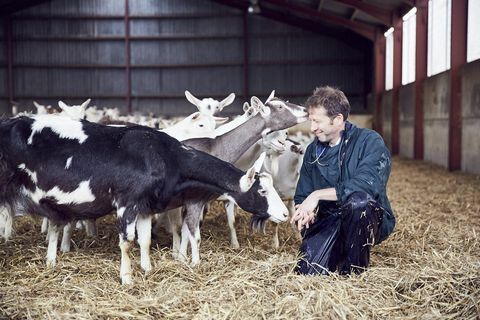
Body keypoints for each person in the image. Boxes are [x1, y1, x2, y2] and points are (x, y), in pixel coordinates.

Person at [291, 86, 395, 275]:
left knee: (359, 204)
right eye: (311, 121)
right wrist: (304, 211)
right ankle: (337, 250)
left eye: (317, 121)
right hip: (328, 219)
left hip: (362, 216)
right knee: (307, 272)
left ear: (338, 119)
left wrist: (317, 195)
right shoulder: (313, 151)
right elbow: (302, 194)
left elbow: (367, 183)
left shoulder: (369, 141)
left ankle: (354, 271)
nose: (312, 128)